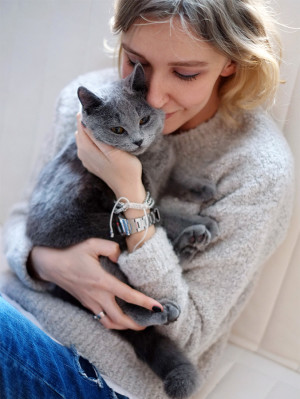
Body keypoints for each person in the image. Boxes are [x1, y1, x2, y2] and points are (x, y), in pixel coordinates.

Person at [1, 0, 295, 398]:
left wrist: (129, 191)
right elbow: (21, 220)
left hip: (106, 372)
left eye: (185, 74)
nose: (153, 97)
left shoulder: (256, 167)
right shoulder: (87, 104)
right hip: (17, 312)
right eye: (135, 62)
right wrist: (45, 264)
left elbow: (187, 333)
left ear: (230, 62)